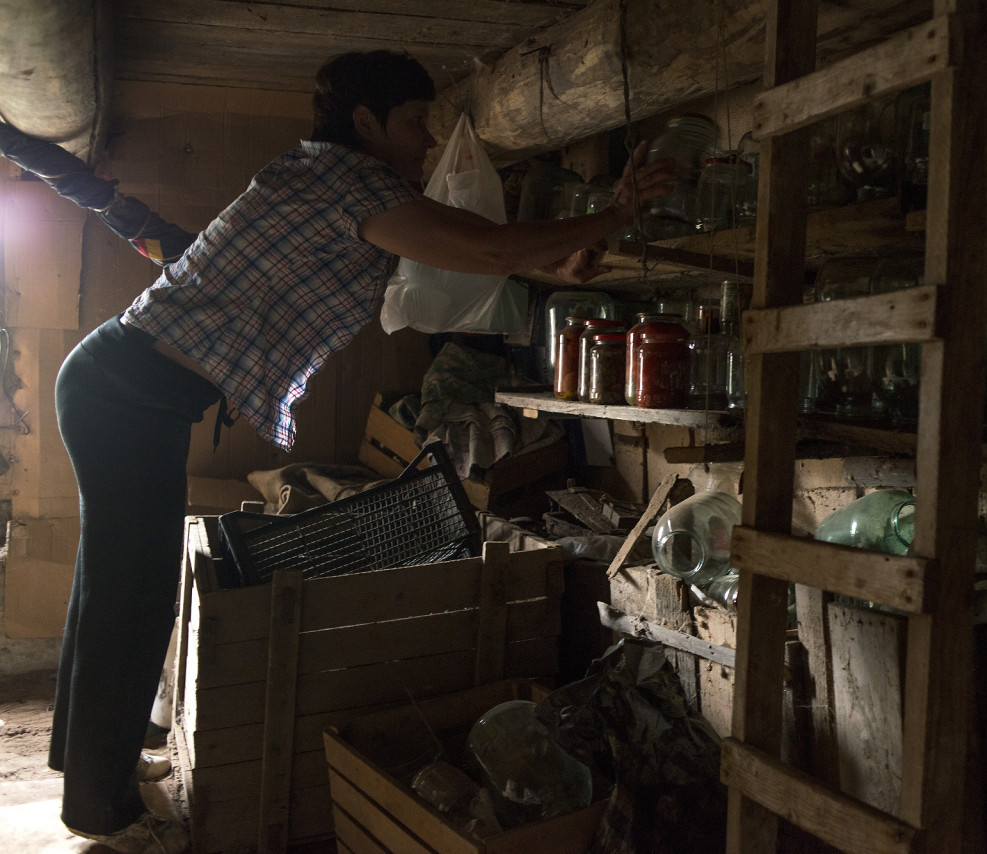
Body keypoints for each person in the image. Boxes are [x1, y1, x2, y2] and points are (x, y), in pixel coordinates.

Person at [48, 49, 673, 854]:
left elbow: (453, 267)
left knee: (118, 584)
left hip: (127, 390)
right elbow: (479, 251)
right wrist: (608, 218)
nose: (424, 140)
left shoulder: (337, 188)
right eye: (414, 121)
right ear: (366, 122)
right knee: (128, 591)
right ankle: (99, 814)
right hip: (124, 394)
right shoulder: (350, 184)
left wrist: (553, 257)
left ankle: (92, 764)